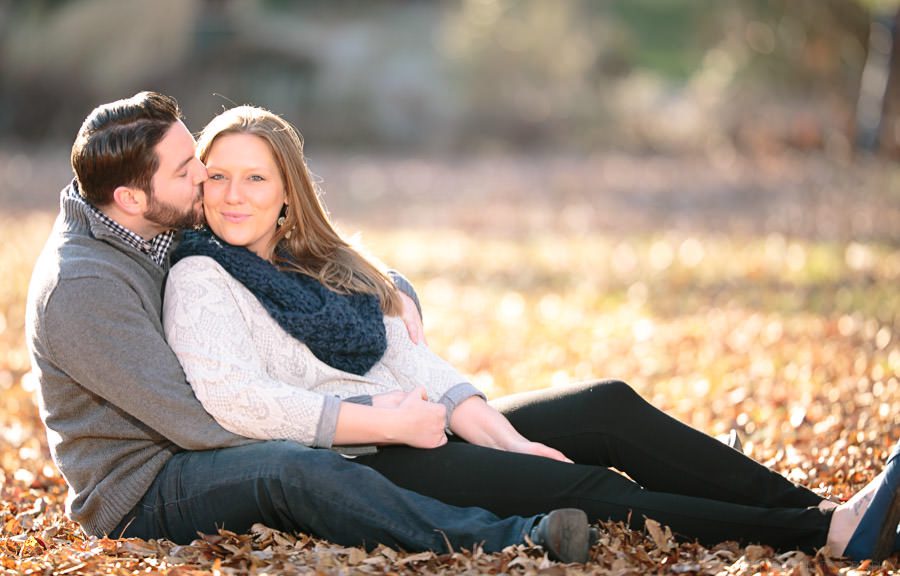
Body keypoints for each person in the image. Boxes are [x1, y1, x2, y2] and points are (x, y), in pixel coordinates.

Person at [164, 104, 900, 563]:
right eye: (219, 178)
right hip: (365, 463)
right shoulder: (203, 278)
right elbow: (237, 401)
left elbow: (408, 359)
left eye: (254, 179)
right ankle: (824, 534)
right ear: (200, 188)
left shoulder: (314, 266)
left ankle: (818, 508)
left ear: (288, 192)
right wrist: (382, 420)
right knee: (580, 486)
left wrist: (500, 434)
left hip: (416, 426)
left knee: (603, 405)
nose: (234, 196)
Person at [24, 91, 597, 564]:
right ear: (130, 196)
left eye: (193, 154)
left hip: (195, 442)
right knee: (294, 469)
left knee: (321, 454)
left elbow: (285, 257)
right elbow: (198, 422)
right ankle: (510, 540)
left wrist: (388, 284)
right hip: (144, 484)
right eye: (187, 169)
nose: (206, 176)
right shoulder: (81, 290)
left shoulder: (156, 218)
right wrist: (363, 419)